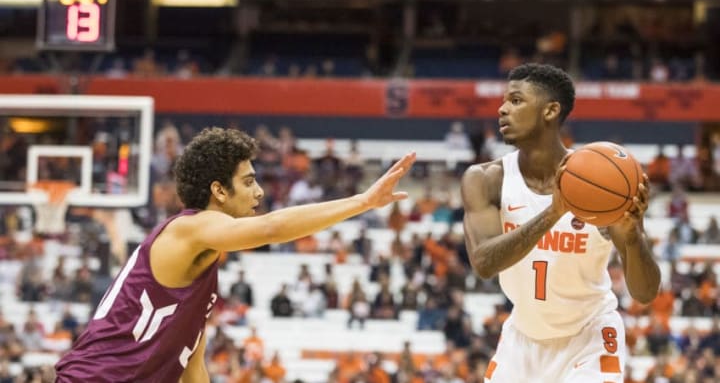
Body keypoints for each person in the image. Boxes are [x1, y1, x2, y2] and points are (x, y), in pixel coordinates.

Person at [55, 127, 416, 382]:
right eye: (248, 181)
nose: (259, 192)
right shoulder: (189, 229)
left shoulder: (204, 264)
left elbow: (191, 369)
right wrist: (363, 201)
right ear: (218, 190)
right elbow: (272, 229)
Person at [461, 63, 660, 383]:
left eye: (515, 100)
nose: (502, 109)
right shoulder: (487, 180)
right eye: (504, 100)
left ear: (550, 111)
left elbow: (645, 293)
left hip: (590, 336)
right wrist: (554, 212)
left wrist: (633, 236)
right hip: (522, 339)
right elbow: (484, 264)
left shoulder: (600, 183)